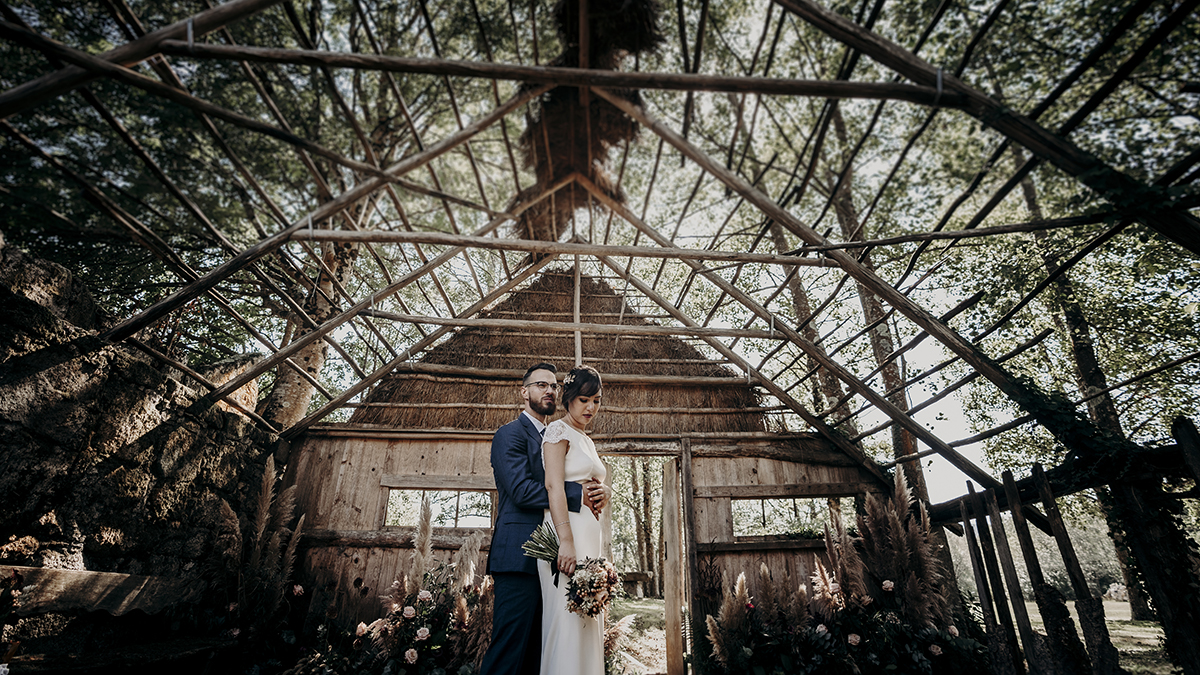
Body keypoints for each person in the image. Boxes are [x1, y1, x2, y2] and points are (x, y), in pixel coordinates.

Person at [480, 363, 610, 675]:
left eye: (553, 385)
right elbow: (522, 491)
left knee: (540, 655)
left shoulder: (565, 434)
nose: (549, 390)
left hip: (557, 560)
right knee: (509, 650)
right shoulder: (509, 434)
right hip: (520, 556)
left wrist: (601, 489)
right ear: (523, 392)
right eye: (540, 384)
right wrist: (577, 493)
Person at [539, 365, 607, 675]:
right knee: (567, 618)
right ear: (568, 399)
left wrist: (605, 491)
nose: (591, 407)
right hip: (567, 537)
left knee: (588, 616)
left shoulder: (586, 439)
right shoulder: (558, 431)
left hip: (590, 540)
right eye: (584, 400)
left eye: (596, 400)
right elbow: (553, 486)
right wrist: (565, 541)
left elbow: (588, 480)